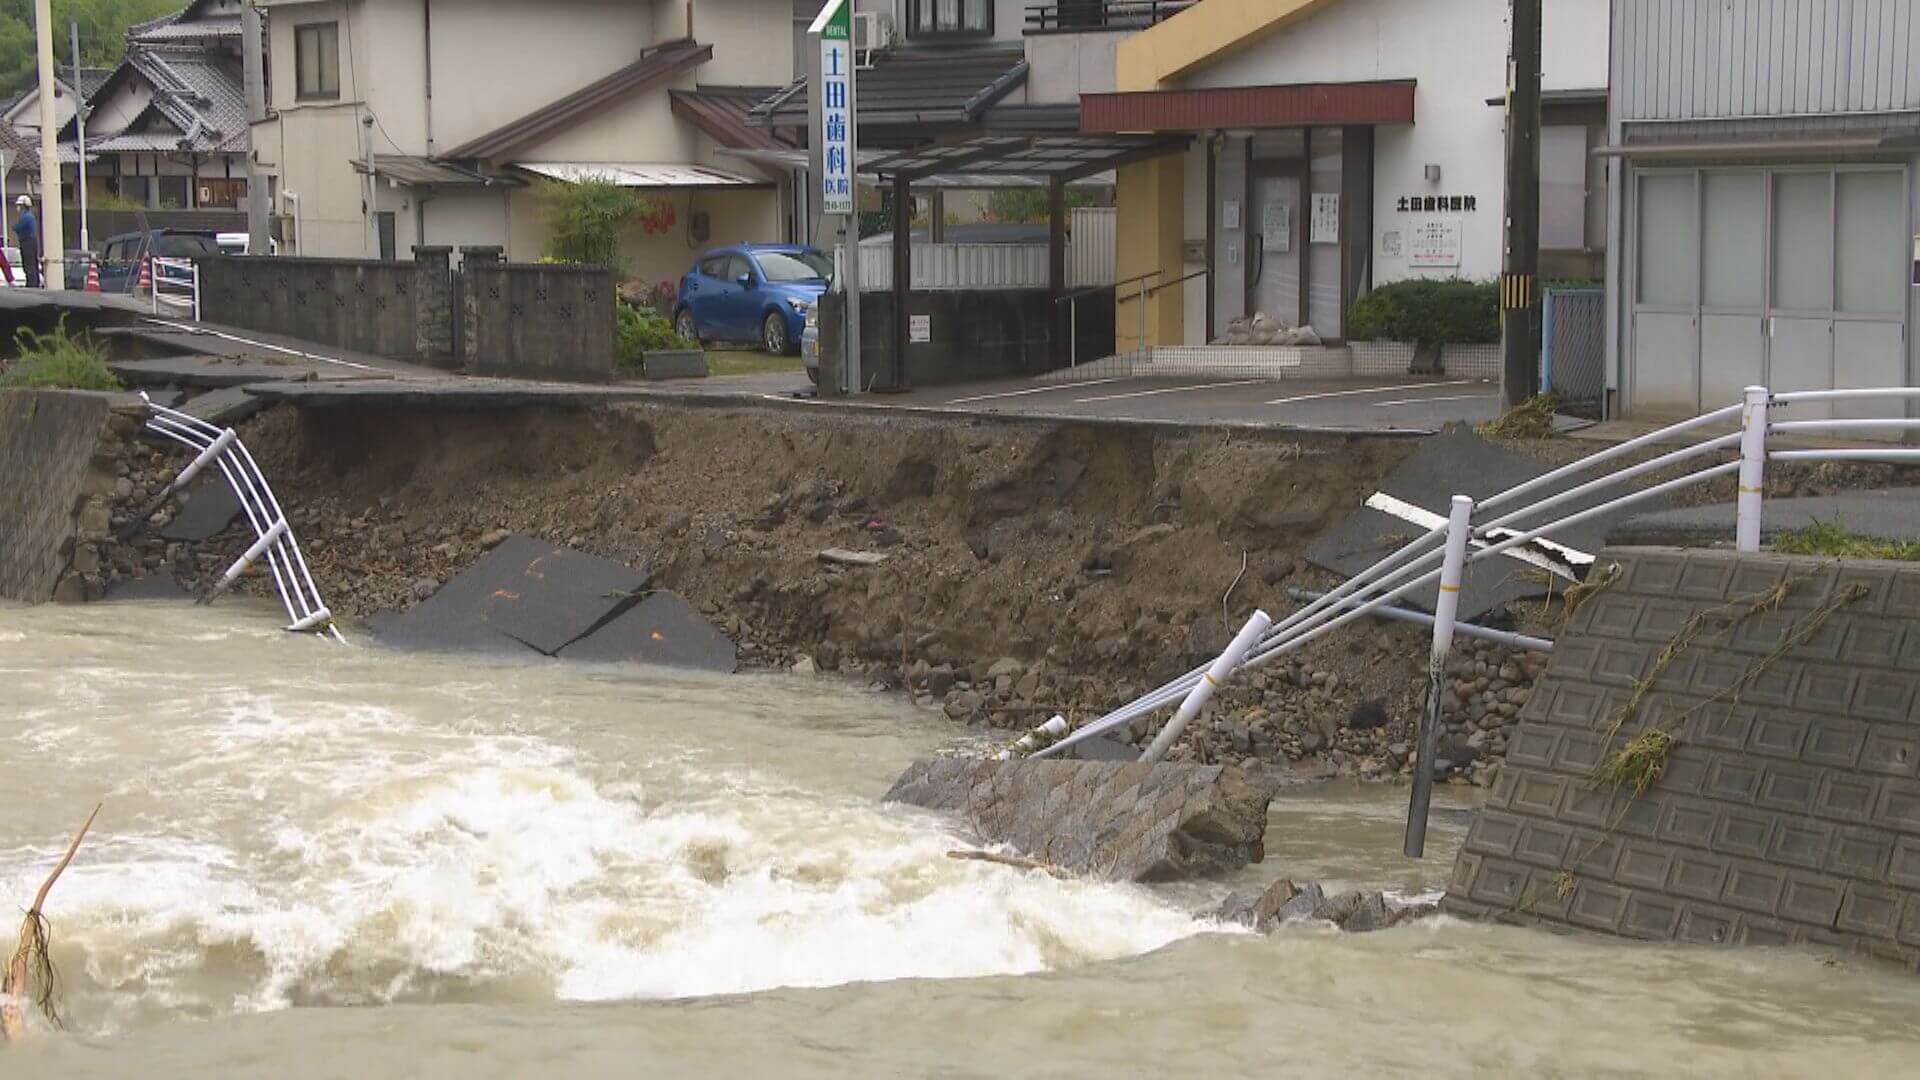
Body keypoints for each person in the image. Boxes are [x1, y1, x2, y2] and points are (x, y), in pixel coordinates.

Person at [13, 195, 39, 288]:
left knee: (28, 264)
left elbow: (17, 227)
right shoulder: (29, 216)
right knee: (31, 264)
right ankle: (33, 283)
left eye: (19, 205)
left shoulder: (26, 217)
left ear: (23, 206)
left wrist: (15, 227)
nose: (18, 208)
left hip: (27, 242)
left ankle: (31, 284)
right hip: (30, 242)